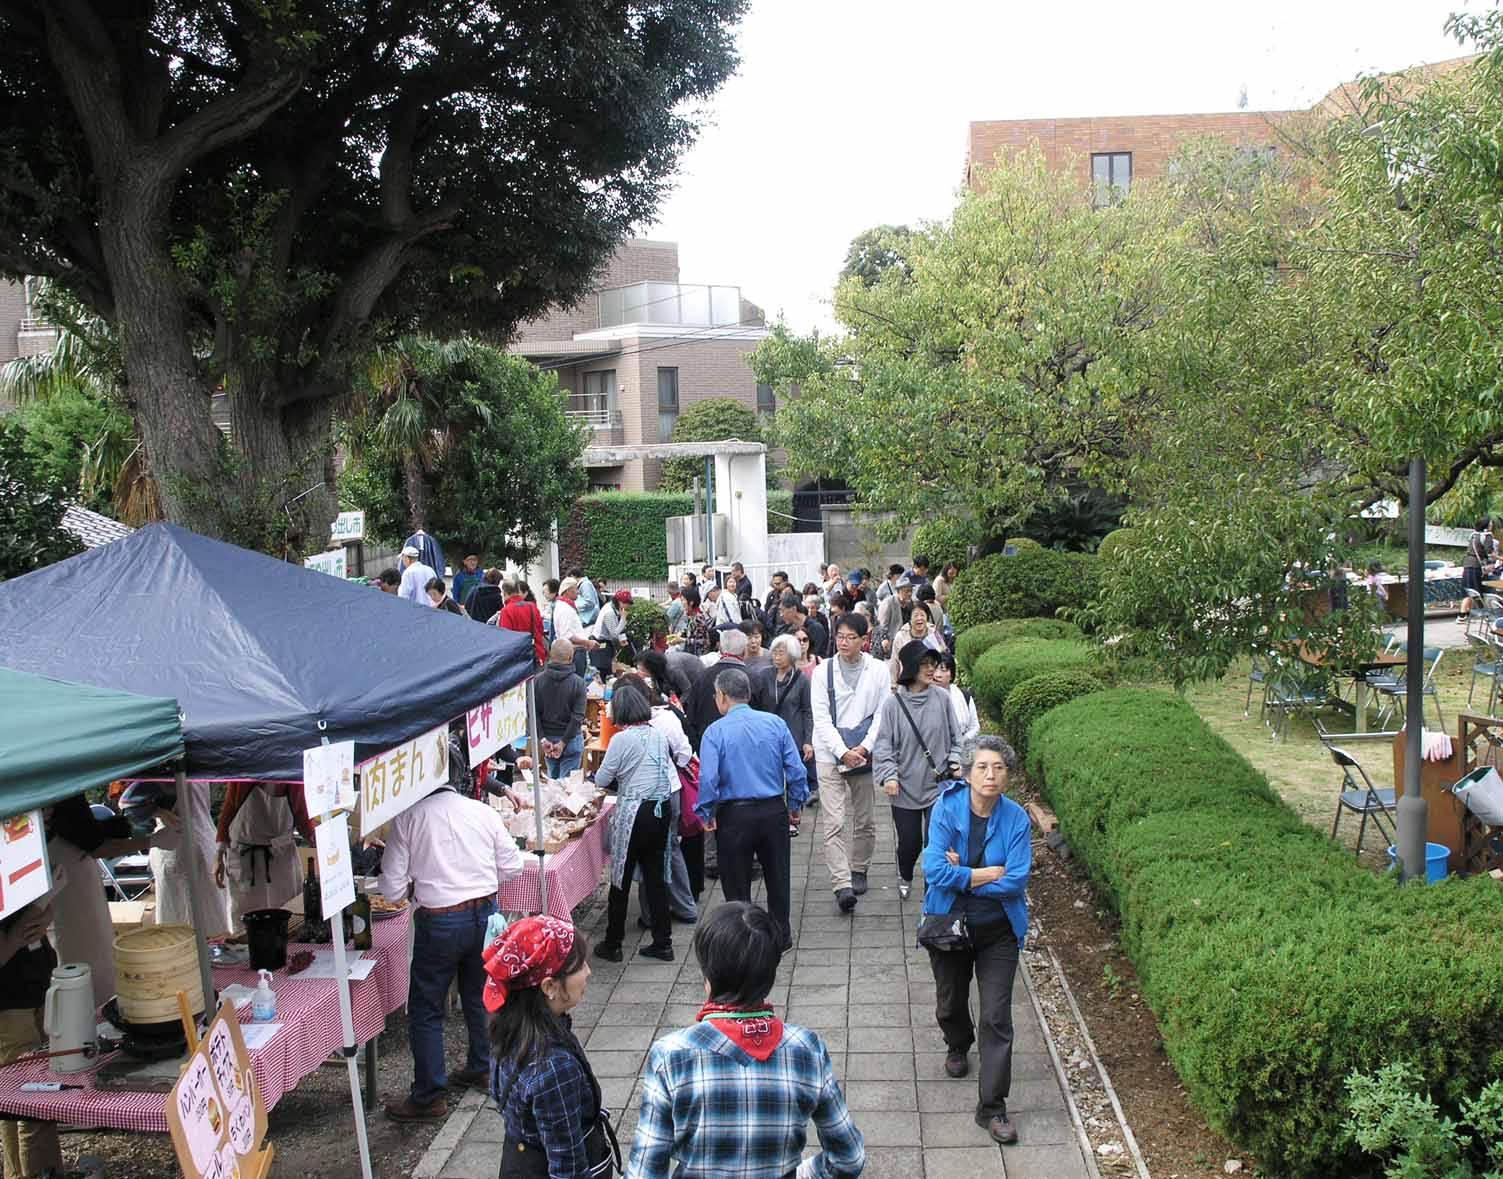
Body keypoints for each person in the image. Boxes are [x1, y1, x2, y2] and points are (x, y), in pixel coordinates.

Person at [626, 902, 865, 1179]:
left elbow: (644, 1173)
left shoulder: (671, 1055)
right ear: (770, 974)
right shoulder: (807, 1049)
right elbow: (850, 1158)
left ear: (708, 975)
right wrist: (803, 1173)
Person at [380, 763, 526, 1121]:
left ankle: (430, 1094)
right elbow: (513, 867)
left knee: (427, 1008)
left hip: (441, 920)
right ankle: (483, 1066)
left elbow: (392, 889)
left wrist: (422, 879)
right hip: (484, 913)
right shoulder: (481, 811)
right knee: (482, 996)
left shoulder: (408, 818)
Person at [919, 736, 1031, 1146]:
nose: (991, 775)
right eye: (982, 767)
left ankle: (992, 1107)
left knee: (997, 1017)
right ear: (967, 773)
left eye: (999, 767)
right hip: (948, 925)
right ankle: (956, 1041)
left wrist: (963, 874)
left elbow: (1017, 879)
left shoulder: (1016, 818)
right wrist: (985, 873)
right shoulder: (946, 807)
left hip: (998, 932)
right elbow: (933, 870)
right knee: (950, 1002)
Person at [486, 916, 610, 1179]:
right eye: (579, 966)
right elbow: (568, 1169)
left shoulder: (508, 1027)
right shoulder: (553, 1066)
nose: (588, 972)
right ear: (549, 986)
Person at [696, 667, 808, 950]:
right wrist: (795, 803)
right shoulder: (775, 724)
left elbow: (709, 779)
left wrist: (706, 812)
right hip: (773, 811)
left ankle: (743, 939)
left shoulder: (715, 732)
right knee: (778, 876)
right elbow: (795, 769)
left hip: (734, 815)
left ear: (722, 696)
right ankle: (782, 935)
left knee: (736, 882)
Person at [593, 681, 677, 962]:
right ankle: (663, 941)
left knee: (621, 877)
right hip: (660, 809)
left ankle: (613, 942)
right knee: (655, 878)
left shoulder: (621, 739)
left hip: (635, 813)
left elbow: (602, 779)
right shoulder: (658, 734)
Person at [873, 641, 963, 900]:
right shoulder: (893, 705)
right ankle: (905, 872)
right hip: (904, 788)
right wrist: (888, 775)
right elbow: (883, 746)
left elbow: (957, 740)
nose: (930, 669)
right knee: (909, 844)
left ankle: (932, 890)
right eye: (924, 664)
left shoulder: (942, 699)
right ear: (911, 666)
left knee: (935, 844)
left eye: (932, 664)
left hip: (938, 787)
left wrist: (955, 761)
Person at [812, 613, 889, 914]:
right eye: (840, 637)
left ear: (863, 639)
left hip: (863, 752)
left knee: (865, 818)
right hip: (828, 753)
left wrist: (865, 747)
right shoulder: (822, 672)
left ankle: (859, 868)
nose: (844, 642)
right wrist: (842, 751)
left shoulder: (879, 670)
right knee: (833, 822)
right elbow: (820, 718)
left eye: (850, 637)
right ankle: (842, 884)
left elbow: (883, 712)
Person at [615, 672, 698, 928]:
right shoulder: (665, 718)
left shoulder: (654, 723)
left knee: (656, 854)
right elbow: (684, 754)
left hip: (653, 798)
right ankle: (674, 908)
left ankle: (664, 912)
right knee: (665, 851)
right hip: (668, 791)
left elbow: (684, 755)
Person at [0, 899, 62, 1177]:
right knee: (29, 1105)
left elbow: (47, 896)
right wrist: (15, 939)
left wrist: (44, 915)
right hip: (9, 1002)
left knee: (20, 1103)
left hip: (36, 982)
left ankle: (26, 1172)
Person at [214, 783, 316, 927]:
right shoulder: (242, 773)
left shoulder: (291, 775)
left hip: (281, 858)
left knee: (286, 916)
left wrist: (320, 839)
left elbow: (303, 817)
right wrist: (218, 855)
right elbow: (229, 809)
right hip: (245, 860)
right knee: (247, 920)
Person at [681, 627, 770, 749]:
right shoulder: (755, 678)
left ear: (721, 649)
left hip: (708, 743)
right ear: (744, 651)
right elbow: (764, 715)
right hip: (745, 745)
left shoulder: (703, 676)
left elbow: (691, 715)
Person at [766, 634, 815, 834]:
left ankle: (794, 814)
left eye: (782, 652)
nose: (777, 656)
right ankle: (779, 817)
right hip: (769, 735)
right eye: (775, 651)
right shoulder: (764, 676)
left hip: (793, 735)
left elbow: (807, 711)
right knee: (773, 776)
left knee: (794, 776)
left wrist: (808, 740)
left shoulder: (801, 679)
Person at [536, 639, 588, 779]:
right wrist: (563, 742)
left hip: (548, 741)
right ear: (571, 657)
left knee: (553, 786)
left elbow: (533, 714)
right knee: (566, 791)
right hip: (570, 741)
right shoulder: (579, 683)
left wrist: (542, 739)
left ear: (550, 656)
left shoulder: (538, 681)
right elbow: (578, 717)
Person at [934, 653, 981, 768]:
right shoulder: (923, 699)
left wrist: (961, 741)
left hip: (962, 756)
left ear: (951, 674)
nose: (938, 675)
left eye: (943, 670)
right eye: (935, 670)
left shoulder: (964, 696)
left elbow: (975, 726)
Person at [548, 578, 598, 679]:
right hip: (574, 652)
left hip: (574, 651)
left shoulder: (564, 606)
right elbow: (566, 635)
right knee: (575, 683)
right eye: (575, 589)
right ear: (568, 591)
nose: (578, 592)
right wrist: (587, 642)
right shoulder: (565, 608)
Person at [887, 601, 947, 685]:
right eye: (915, 615)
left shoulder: (934, 633)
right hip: (909, 683)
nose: (919, 618)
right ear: (909, 619)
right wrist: (893, 684)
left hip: (932, 682)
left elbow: (944, 656)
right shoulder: (901, 636)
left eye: (922, 615)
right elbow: (894, 663)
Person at [496, 578, 548, 664]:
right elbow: (540, 629)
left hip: (517, 659)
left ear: (504, 593)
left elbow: (506, 638)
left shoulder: (506, 611)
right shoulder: (532, 607)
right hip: (536, 654)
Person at [592, 588, 634, 674]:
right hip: (601, 643)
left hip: (606, 641)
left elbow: (616, 627)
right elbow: (614, 633)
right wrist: (623, 618)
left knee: (609, 667)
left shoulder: (614, 608)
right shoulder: (609, 612)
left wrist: (622, 638)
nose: (628, 606)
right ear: (620, 602)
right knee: (605, 669)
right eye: (627, 603)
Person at [876, 576, 914, 656]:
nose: (910, 594)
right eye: (906, 591)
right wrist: (884, 639)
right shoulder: (888, 603)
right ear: (898, 591)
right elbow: (881, 624)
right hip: (890, 643)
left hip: (906, 641)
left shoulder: (910, 604)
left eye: (911, 591)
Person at [678, 585, 713, 658]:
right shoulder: (691, 616)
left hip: (699, 657)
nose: (682, 603)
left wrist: (682, 640)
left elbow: (702, 641)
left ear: (691, 602)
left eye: (683, 600)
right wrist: (680, 634)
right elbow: (691, 631)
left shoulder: (698, 618)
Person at [1464, 518, 1493, 597]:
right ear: (1486, 525)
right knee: (1478, 592)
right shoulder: (1487, 536)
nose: (1492, 524)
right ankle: (1481, 609)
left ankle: (1467, 609)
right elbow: (1490, 553)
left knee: (1469, 592)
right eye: (1490, 523)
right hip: (1477, 566)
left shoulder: (1473, 535)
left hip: (1467, 564)